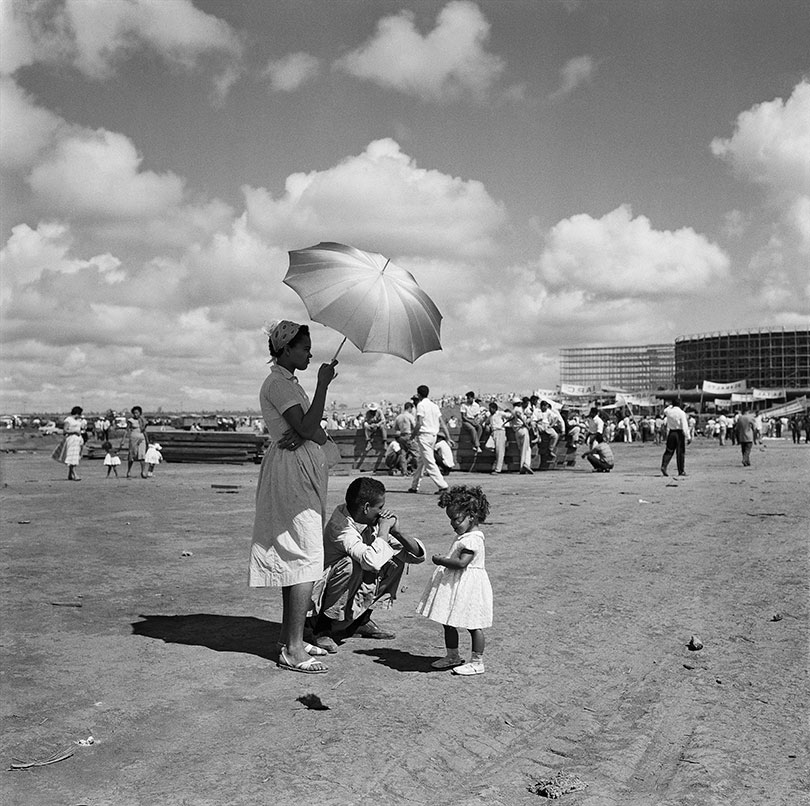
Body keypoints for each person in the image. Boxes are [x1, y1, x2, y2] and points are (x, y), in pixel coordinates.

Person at [249, 319, 338, 675]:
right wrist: (322, 386)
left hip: (299, 468)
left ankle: (291, 636)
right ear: (285, 349)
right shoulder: (277, 383)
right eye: (304, 348)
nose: (310, 353)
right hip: (292, 474)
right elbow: (303, 427)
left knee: (298, 554)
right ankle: (294, 648)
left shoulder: (287, 383)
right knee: (305, 555)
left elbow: (308, 429)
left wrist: (308, 432)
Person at [310, 477, 425, 653]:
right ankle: (322, 628)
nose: (383, 513)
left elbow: (415, 556)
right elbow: (371, 562)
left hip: (351, 593)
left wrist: (398, 532)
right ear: (365, 508)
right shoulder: (341, 528)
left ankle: (360, 622)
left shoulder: (368, 521)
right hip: (326, 592)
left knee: (394, 561)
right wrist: (384, 530)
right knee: (351, 565)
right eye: (379, 508)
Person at [416, 485, 493, 676]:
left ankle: (477, 661)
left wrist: (441, 560)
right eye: (450, 519)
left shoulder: (473, 539)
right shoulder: (465, 535)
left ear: (472, 516)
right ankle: (452, 655)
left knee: (473, 624)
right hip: (457, 586)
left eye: (456, 519)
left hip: (469, 587)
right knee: (448, 621)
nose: (452, 524)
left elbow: (461, 563)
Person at [408, 385, 452, 494]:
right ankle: (414, 486)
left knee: (429, 462)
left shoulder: (421, 405)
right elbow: (442, 422)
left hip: (424, 436)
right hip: (433, 436)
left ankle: (443, 486)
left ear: (418, 394)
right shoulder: (434, 406)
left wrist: (412, 437)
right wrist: (448, 437)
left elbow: (419, 423)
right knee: (421, 462)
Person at [660, 399, 691, 477]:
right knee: (680, 452)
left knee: (669, 451)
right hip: (679, 433)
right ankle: (681, 471)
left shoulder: (668, 412)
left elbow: (666, 409)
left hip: (671, 432)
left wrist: (671, 406)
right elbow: (684, 425)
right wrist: (688, 436)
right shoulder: (681, 413)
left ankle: (664, 465)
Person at [485, 400, 510, 473]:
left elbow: (510, 415)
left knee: (500, 451)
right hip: (493, 432)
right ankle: (496, 452)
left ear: (495, 408)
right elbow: (486, 422)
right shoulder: (490, 416)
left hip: (500, 431)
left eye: (491, 408)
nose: (490, 410)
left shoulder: (500, 413)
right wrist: (487, 426)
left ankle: (498, 469)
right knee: (488, 446)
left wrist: (505, 422)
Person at [393, 401, 416, 475]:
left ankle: (404, 470)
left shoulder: (398, 417)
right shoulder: (410, 416)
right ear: (409, 408)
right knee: (416, 452)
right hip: (409, 435)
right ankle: (417, 469)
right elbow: (414, 426)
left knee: (403, 453)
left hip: (401, 436)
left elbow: (395, 428)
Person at [125, 406, 149, 479]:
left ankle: (143, 472)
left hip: (142, 438)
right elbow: (127, 430)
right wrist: (123, 440)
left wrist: (147, 440)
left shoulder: (143, 421)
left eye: (137, 413)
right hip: (133, 438)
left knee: (142, 455)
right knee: (132, 454)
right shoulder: (130, 420)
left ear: (140, 413)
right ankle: (129, 471)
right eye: (134, 413)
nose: (136, 414)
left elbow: (144, 431)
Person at [511, 397, 533, 474]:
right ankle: (525, 465)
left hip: (516, 431)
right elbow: (519, 415)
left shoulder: (513, 410)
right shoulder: (518, 409)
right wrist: (525, 424)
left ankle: (523, 466)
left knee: (522, 449)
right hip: (523, 429)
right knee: (526, 449)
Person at [62, 406, 85, 481]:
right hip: (71, 439)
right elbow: (65, 431)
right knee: (72, 457)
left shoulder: (77, 420)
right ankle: (75, 474)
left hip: (77, 439)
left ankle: (70, 474)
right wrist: (74, 432)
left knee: (76, 456)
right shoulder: (68, 420)